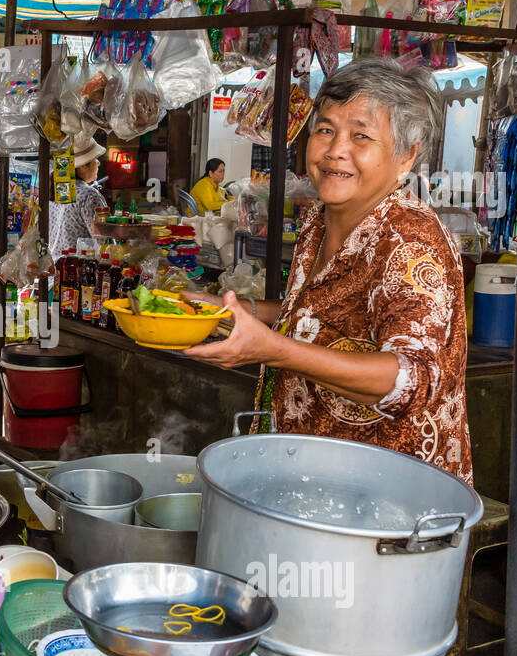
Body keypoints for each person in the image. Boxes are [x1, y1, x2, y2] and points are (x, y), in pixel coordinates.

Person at [182, 57, 472, 484]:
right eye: (325, 129)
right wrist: (229, 310)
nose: (336, 149)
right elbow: (317, 318)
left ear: (406, 157)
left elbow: (410, 379)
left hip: (389, 504)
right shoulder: (321, 220)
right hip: (312, 481)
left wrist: (273, 349)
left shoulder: (409, 241)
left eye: (361, 135)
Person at [48, 134, 107, 259]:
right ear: (82, 165)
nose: (99, 163)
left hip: (53, 273)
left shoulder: (56, 191)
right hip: (77, 272)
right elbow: (104, 244)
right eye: (95, 158)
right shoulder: (89, 195)